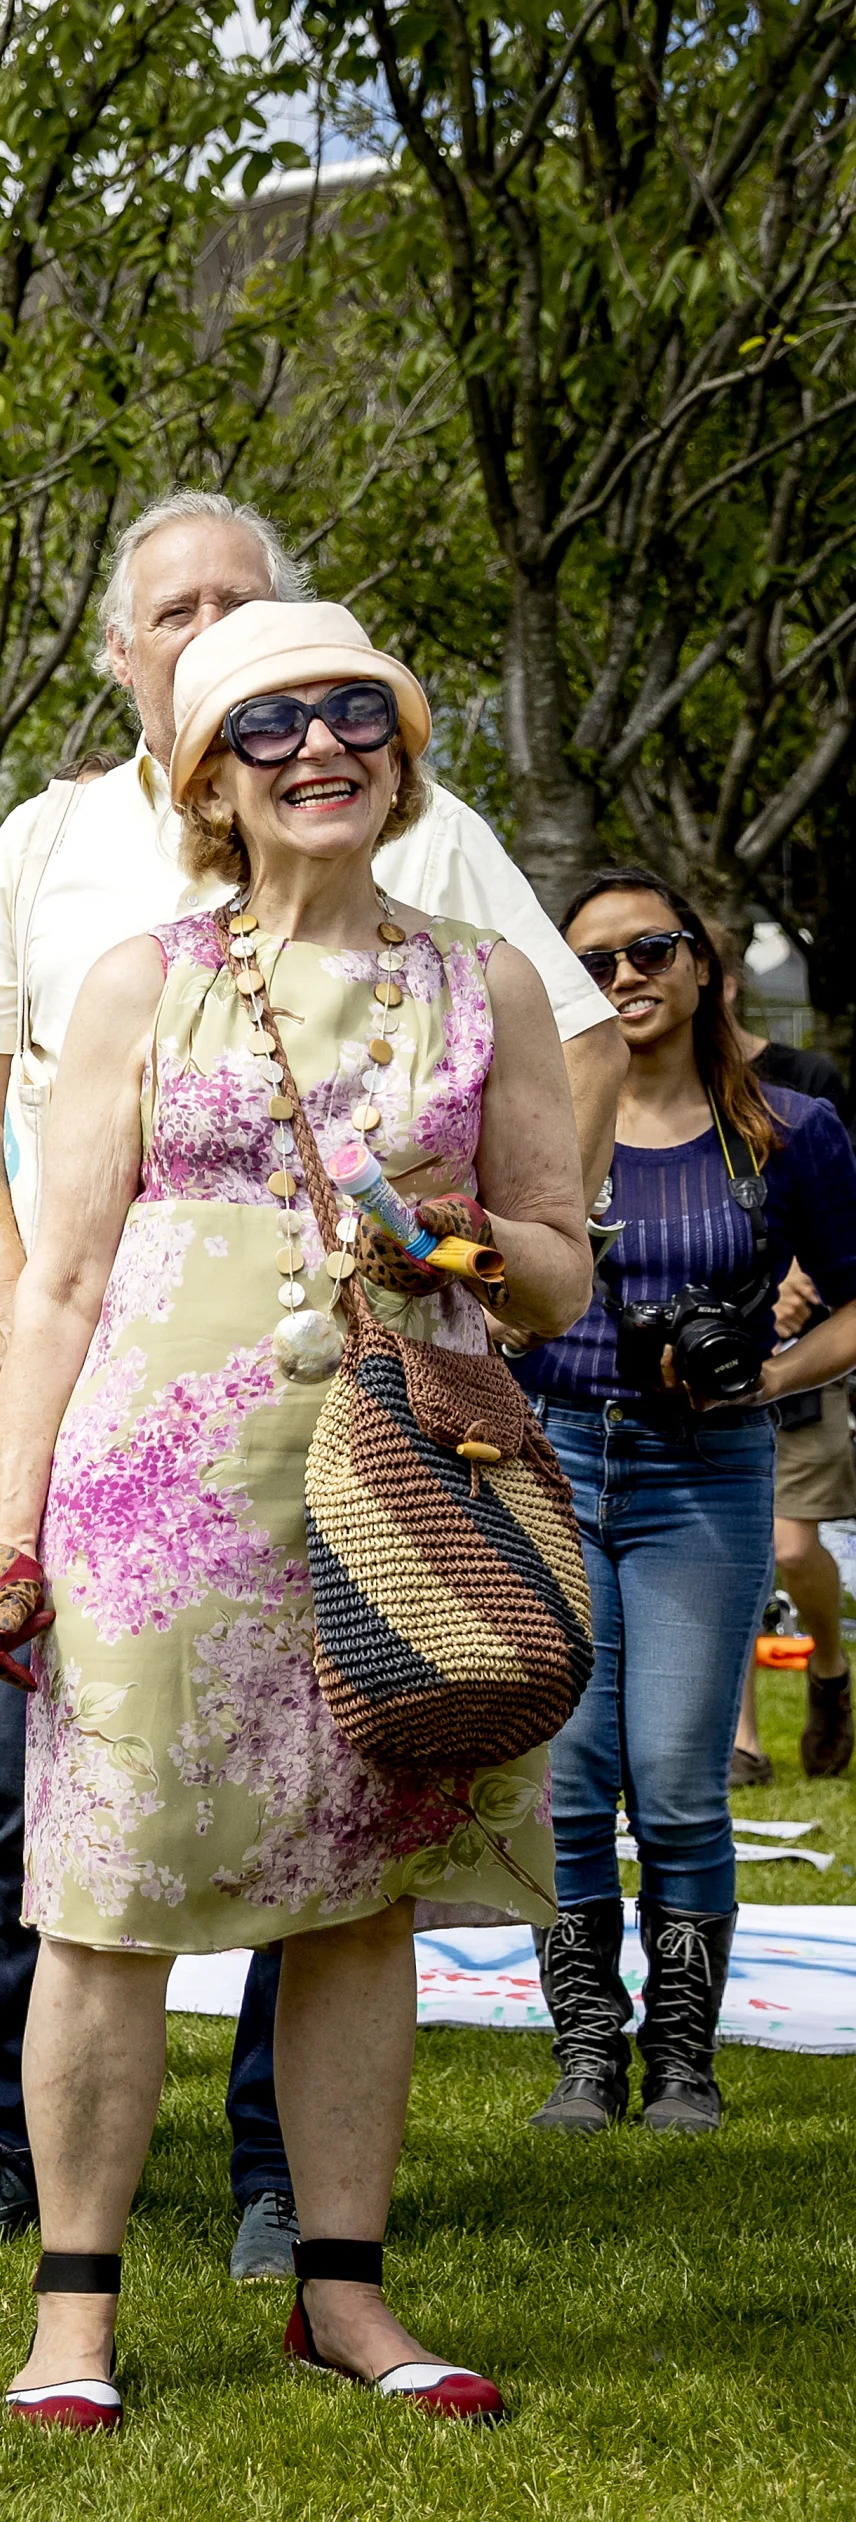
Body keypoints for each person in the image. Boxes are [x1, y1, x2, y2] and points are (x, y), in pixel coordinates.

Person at [0, 488, 629, 2265]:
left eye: (355, 713)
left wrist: (457, 1246)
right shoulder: (142, 977)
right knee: (106, 1896)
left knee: (364, 1896)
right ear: (209, 774)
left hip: (390, 1484)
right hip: (154, 1496)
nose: (320, 748)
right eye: (272, 726)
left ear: (403, 754)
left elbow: (554, 1268)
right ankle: (74, 2304)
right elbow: (56, 1282)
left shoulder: (490, 984)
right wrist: (7, 1525)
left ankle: (338, 2281)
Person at [515, 873, 856, 2136]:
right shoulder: (538, 1123)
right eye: (593, 961)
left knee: (675, 1774)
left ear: (703, 964)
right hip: (554, 1454)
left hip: (704, 1467)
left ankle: (683, 2059)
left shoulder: (788, 1127)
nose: (624, 978)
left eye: (650, 949)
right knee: (574, 1770)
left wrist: (769, 1372)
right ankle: (588, 2050)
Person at [723, 972, 850, 1780]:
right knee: (730, 1548)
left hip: (804, 1347)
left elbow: (838, 1207)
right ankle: (742, 1742)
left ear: (716, 977)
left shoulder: (806, 1085)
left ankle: (830, 1670)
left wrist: (802, 1273)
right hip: (711, 1365)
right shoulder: (624, 1088)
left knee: (793, 1547)